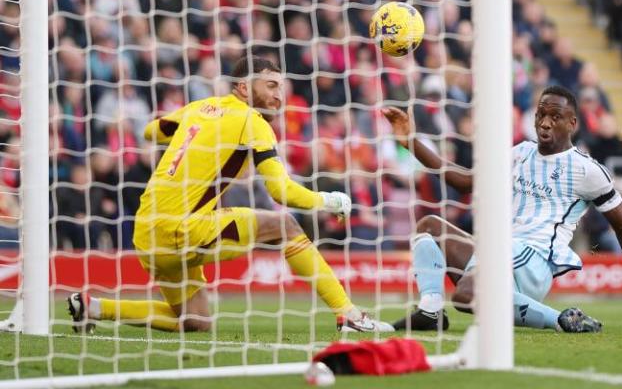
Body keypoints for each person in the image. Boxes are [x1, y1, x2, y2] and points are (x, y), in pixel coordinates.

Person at [68, 56, 393, 333]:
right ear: (242, 87)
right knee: (288, 227)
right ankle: (349, 314)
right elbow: (281, 192)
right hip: (181, 228)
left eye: (281, 87)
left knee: (196, 321)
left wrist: (191, 139)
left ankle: (93, 307)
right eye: (270, 86)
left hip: (146, 232)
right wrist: (329, 200)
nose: (279, 95)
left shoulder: (200, 107)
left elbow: (150, 131)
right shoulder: (252, 121)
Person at [383, 86, 622, 333]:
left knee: (466, 295)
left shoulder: (587, 170)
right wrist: (411, 142)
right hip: (498, 249)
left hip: (534, 260)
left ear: (572, 123)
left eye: (554, 117)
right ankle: (430, 311)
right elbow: (464, 181)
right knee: (429, 228)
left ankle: (563, 319)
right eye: (540, 115)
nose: (544, 123)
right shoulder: (520, 153)